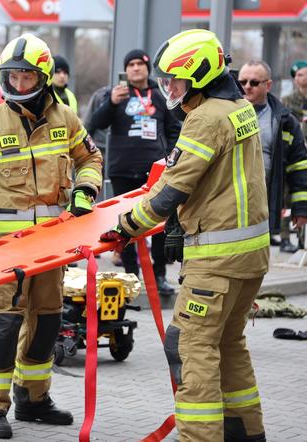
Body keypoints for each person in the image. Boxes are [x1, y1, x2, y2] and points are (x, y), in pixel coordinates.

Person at [101, 29, 269, 441]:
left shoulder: (205, 119)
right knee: (228, 345)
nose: (169, 89)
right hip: (249, 258)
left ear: (199, 74)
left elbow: (171, 192)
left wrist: (123, 227)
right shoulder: (238, 108)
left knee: (189, 348)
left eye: (175, 80)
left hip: (216, 259)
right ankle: (246, 433)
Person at [0, 34, 103, 439]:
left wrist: (87, 190)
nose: (17, 84)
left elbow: (89, 157)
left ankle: (33, 399)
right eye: (11, 77)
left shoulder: (65, 118)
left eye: (25, 77)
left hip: (53, 245)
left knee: (47, 322)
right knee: (3, 325)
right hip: (8, 250)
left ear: (44, 76)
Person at [90, 48, 181, 296]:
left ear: (147, 67)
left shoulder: (160, 96)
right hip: (122, 169)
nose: (135, 68)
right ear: (126, 70)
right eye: (130, 65)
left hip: (154, 171)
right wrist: (110, 103)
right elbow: (95, 124)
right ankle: (132, 275)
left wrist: (170, 154)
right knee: (124, 225)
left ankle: (160, 275)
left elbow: (174, 128)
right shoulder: (116, 94)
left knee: (159, 223)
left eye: (139, 64)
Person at [238, 60, 307, 253]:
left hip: (264, 205)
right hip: (228, 204)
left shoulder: (284, 120)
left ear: (268, 85)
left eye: (254, 82)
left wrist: (301, 209)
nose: (247, 87)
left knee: (254, 265)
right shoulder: (224, 113)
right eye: (242, 82)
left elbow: (299, 166)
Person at [283, 60, 307, 138]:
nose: (296, 78)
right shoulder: (287, 100)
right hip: (297, 144)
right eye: (295, 75)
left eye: (300, 75)